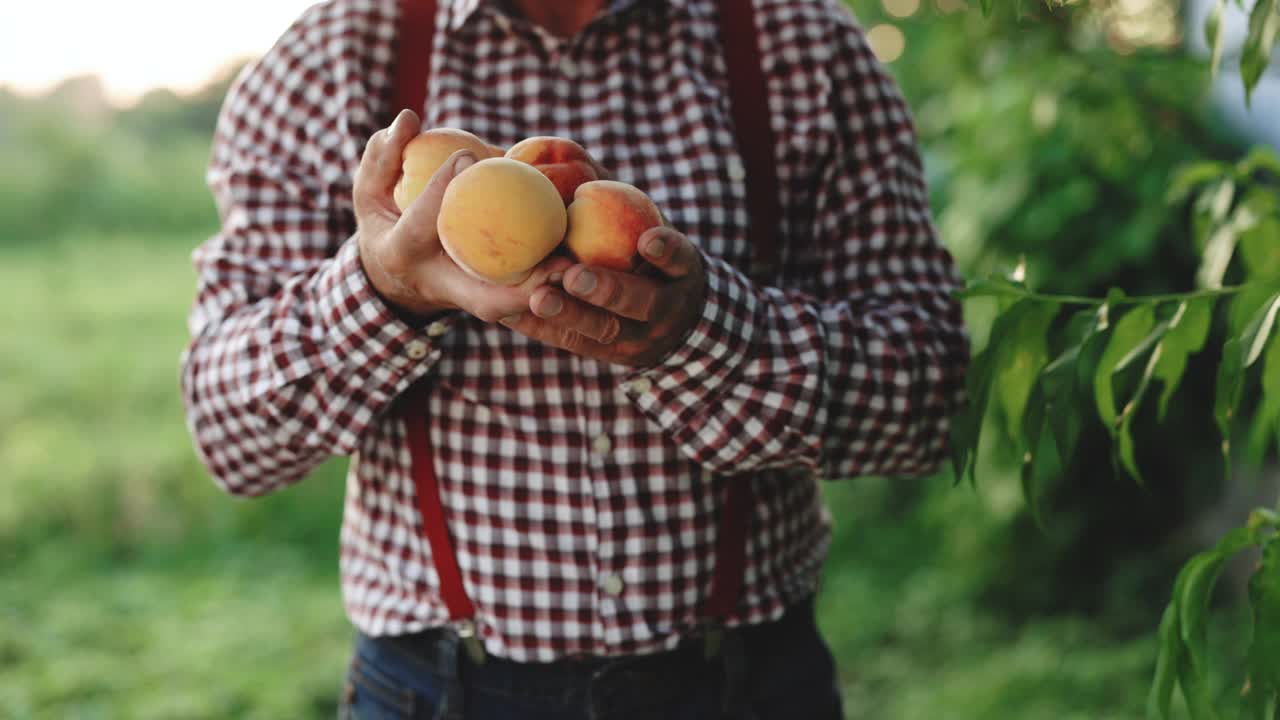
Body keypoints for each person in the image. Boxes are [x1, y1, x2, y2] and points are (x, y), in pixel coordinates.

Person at [180, 0, 969, 717]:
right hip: (440, 690)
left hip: (746, 684)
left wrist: (699, 335)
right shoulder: (331, 58)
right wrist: (384, 290)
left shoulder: (796, 44)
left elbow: (930, 393)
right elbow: (228, 435)